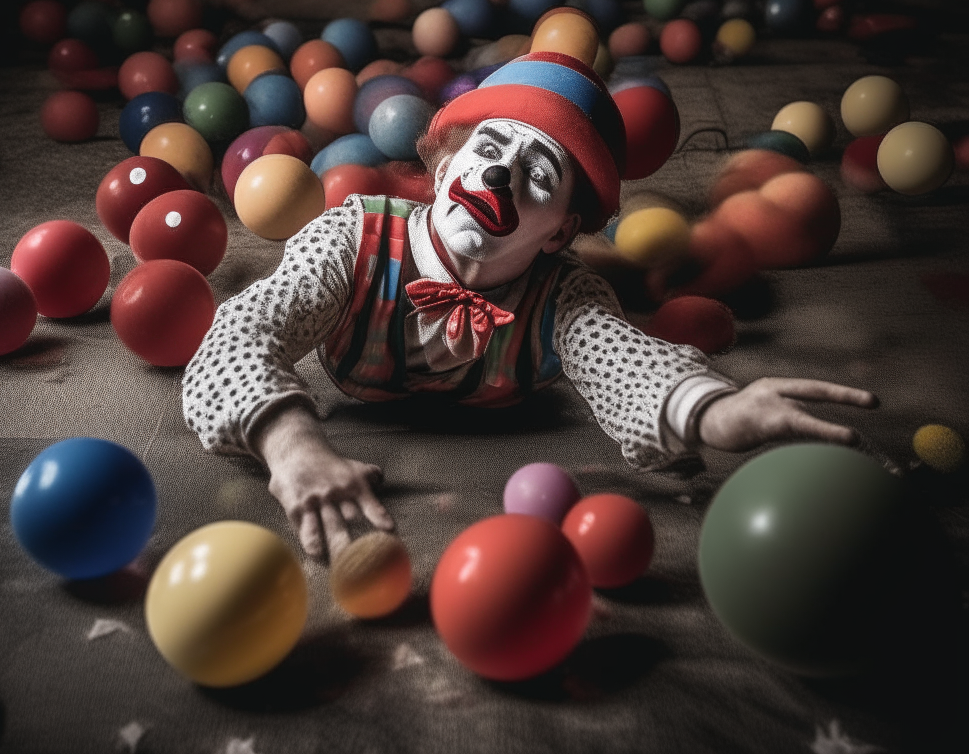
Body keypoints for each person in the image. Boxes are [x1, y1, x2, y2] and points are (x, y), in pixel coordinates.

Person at [182, 51, 876, 558]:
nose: (500, 171)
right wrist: (293, 446)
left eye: (539, 172)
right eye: (487, 148)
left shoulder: (566, 292)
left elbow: (617, 355)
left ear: (562, 230)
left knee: (630, 290)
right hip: (349, 379)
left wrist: (714, 409)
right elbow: (242, 329)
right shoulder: (351, 235)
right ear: (448, 166)